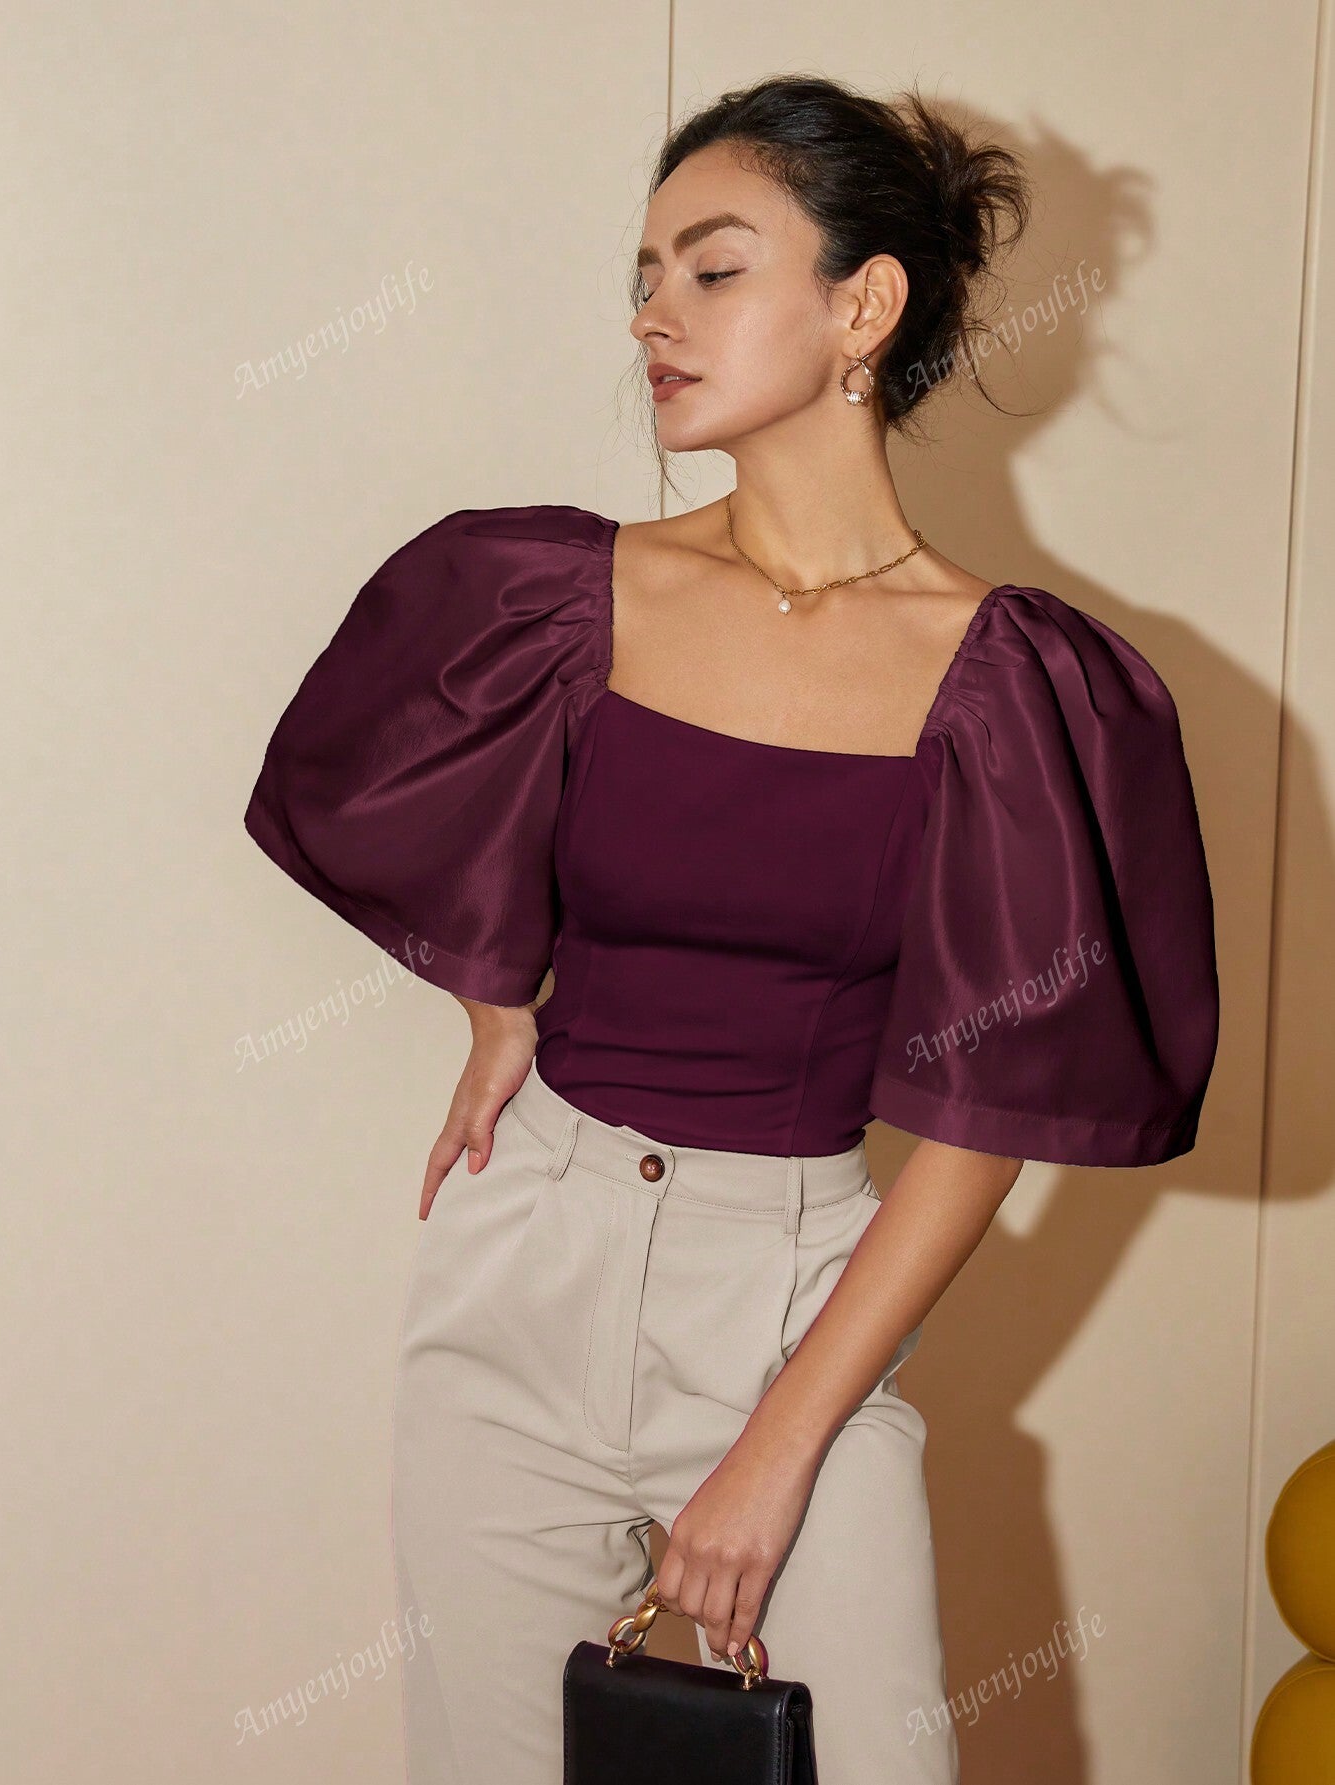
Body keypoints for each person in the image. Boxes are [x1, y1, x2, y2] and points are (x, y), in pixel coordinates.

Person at [241, 73, 1219, 1785]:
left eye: (711, 269)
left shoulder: (1010, 684)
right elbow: (419, 806)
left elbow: (985, 1120)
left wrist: (778, 1447)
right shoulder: (560, 599)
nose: (653, 316)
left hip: (792, 1297)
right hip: (523, 1277)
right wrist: (496, 1000)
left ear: (864, 305)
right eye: (643, 277)